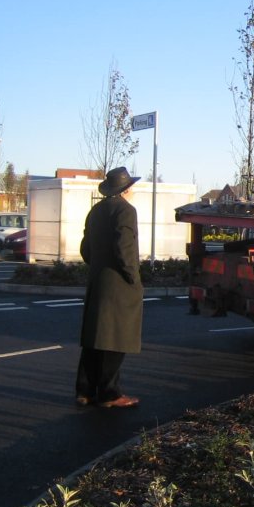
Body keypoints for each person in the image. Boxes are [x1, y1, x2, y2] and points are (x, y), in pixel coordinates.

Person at [75, 167, 143, 408]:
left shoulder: (95, 211)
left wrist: (98, 266)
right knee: (116, 338)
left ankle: (85, 391)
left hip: (98, 281)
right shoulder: (126, 210)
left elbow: (85, 249)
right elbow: (125, 246)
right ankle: (110, 393)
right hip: (118, 283)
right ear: (125, 190)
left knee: (94, 338)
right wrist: (132, 276)